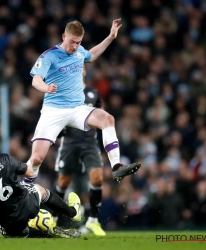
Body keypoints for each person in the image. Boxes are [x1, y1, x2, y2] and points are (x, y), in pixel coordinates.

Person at [23, 19, 141, 186]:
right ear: (64, 36)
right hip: (54, 110)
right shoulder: (49, 55)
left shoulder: (79, 52)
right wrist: (46, 88)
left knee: (107, 119)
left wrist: (110, 37)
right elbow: (35, 80)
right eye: (72, 42)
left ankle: (116, 166)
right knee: (36, 158)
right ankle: (25, 185)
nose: (75, 46)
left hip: (77, 109)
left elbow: (91, 55)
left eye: (78, 43)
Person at [54, 67, 106, 236]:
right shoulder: (63, 93)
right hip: (70, 143)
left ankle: (93, 221)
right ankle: (53, 217)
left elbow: (100, 115)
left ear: (84, 72)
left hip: (89, 143)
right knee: (63, 183)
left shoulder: (93, 93)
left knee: (97, 178)